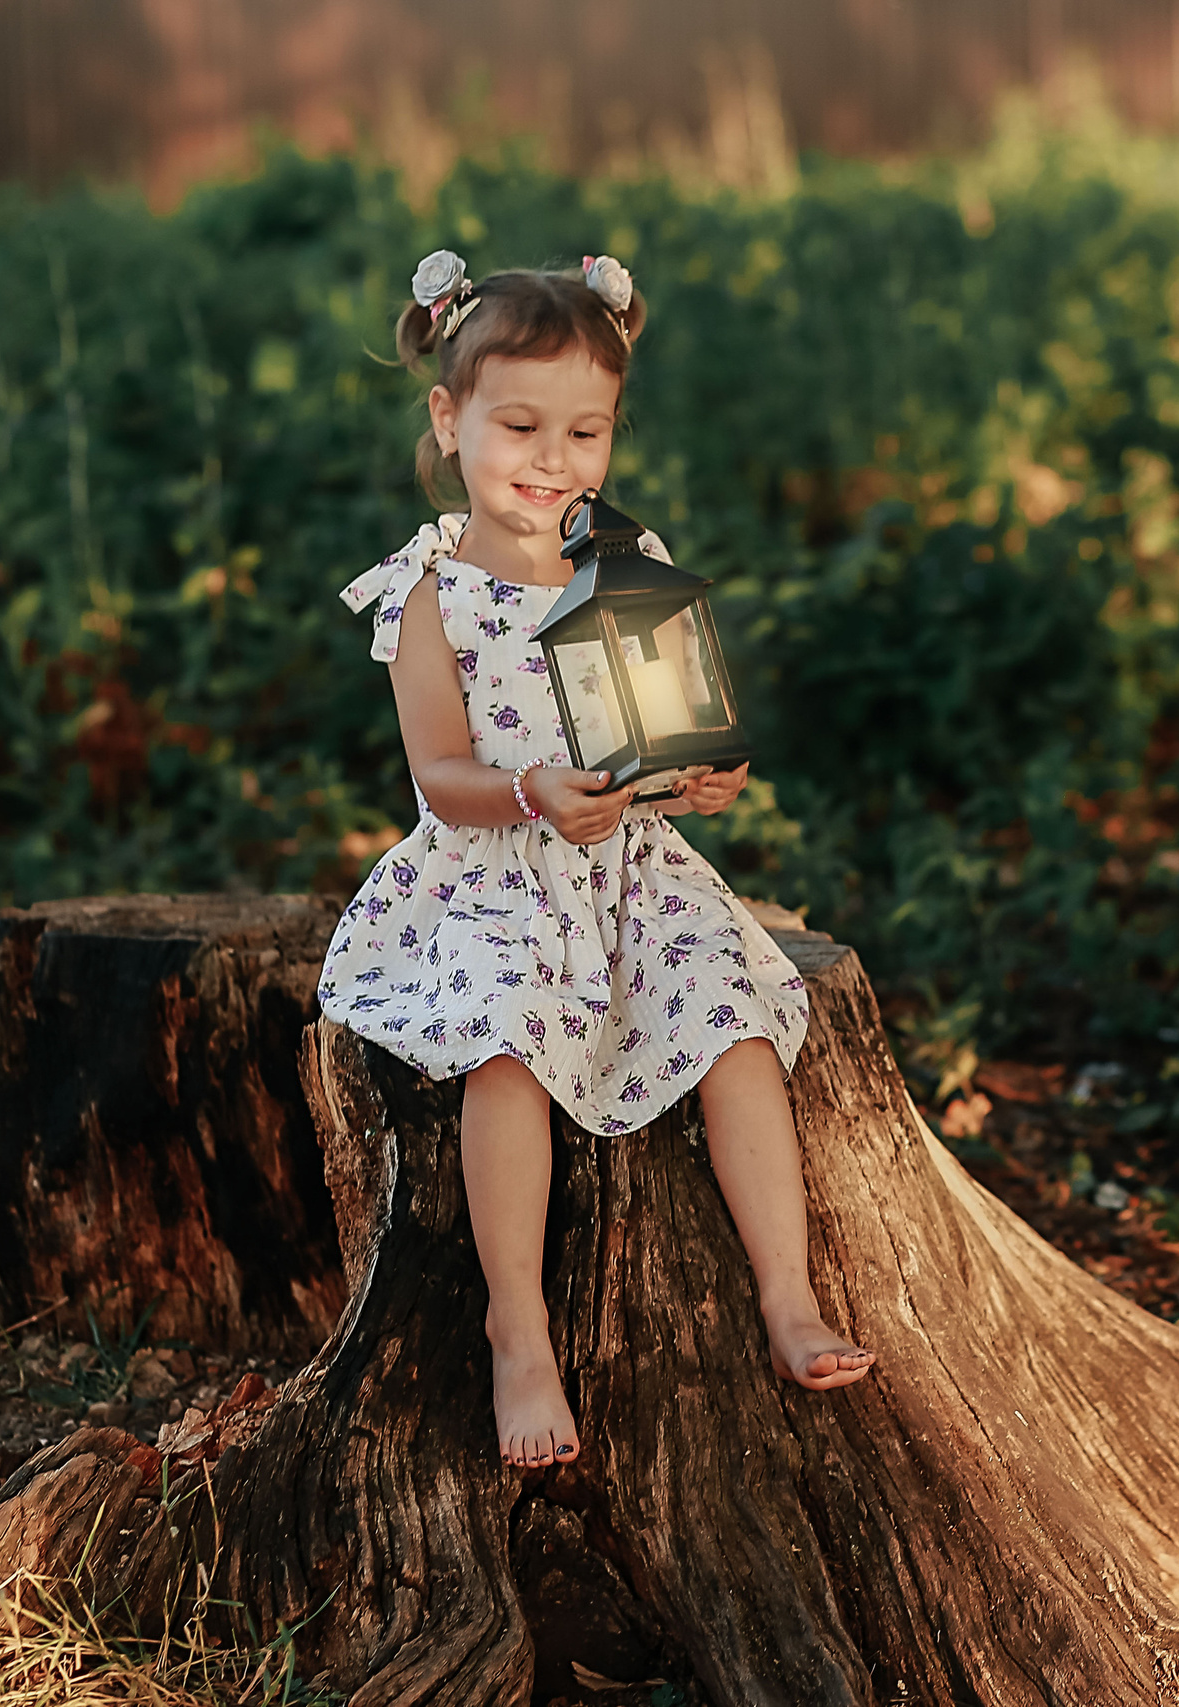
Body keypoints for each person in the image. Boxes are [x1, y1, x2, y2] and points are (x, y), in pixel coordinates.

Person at [318, 250, 873, 1469]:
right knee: (506, 1046)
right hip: (496, 867)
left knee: (733, 1025)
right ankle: (519, 1325)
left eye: (586, 431)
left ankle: (785, 1294)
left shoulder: (625, 559)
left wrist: (697, 778)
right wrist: (530, 793)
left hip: (632, 869)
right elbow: (440, 780)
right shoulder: (430, 591)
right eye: (520, 425)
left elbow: (664, 725)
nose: (553, 460)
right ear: (448, 416)